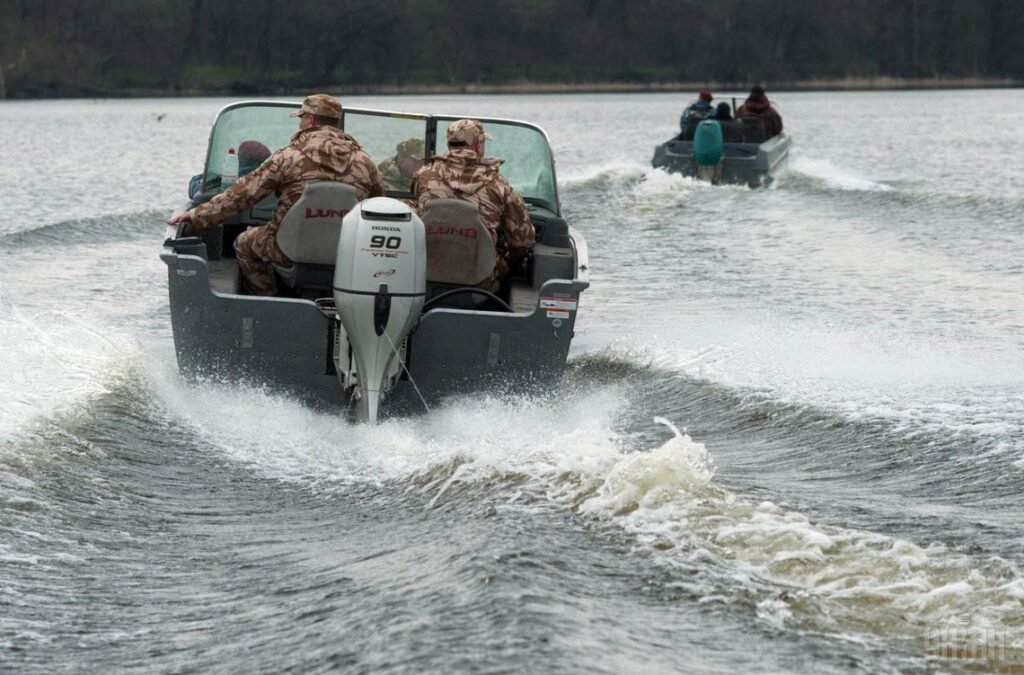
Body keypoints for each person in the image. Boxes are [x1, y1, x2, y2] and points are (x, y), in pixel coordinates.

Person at [168, 93, 385, 296]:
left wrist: (196, 216)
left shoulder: (289, 157)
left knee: (244, 243)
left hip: (286, 251)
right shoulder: (365, 163)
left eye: (301, 118)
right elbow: (379, 207)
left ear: (309, 121)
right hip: (346, 254)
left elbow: (242, 196)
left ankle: (269, 303)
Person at [412, 119, 535, 285]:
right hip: (479, 279)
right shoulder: (499, 185)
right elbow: (523, 241)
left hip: (425, 273)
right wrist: (507, 259)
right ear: (478, 145)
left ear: (450, 145)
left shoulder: (423, 176)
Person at [187, 140, 273, 199]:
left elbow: (196, 190)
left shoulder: (228, 179)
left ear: (239, 159)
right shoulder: (271, 178)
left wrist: (209, 174)